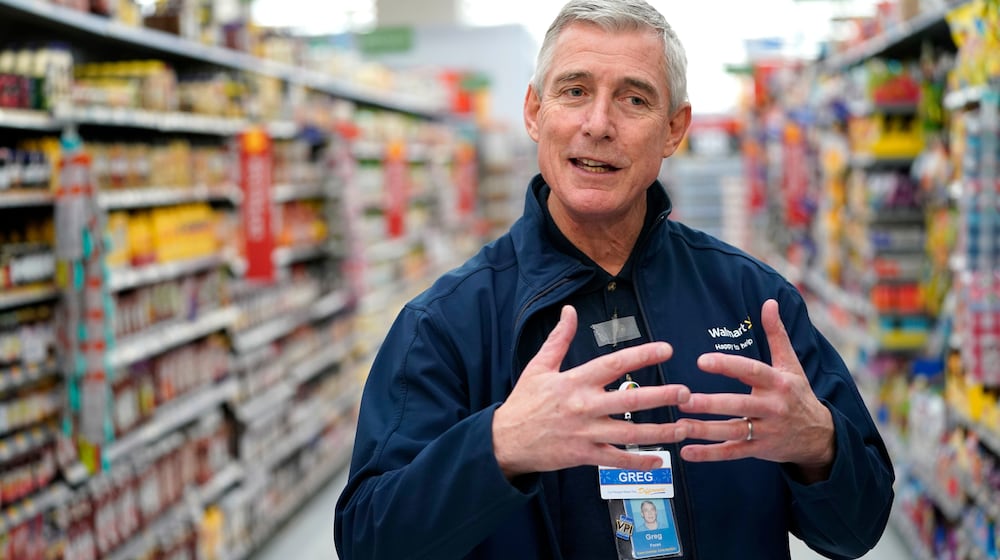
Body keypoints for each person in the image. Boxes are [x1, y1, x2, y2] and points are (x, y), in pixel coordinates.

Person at [335, 0, 894, 558]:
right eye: (574, 91)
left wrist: (820, 444)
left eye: (634, 99)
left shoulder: (755, 300)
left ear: (674, 129)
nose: (598, 125)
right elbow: (369, 540)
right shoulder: (445, 324)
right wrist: (498, 447)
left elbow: (859, 527)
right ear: (534, 112)